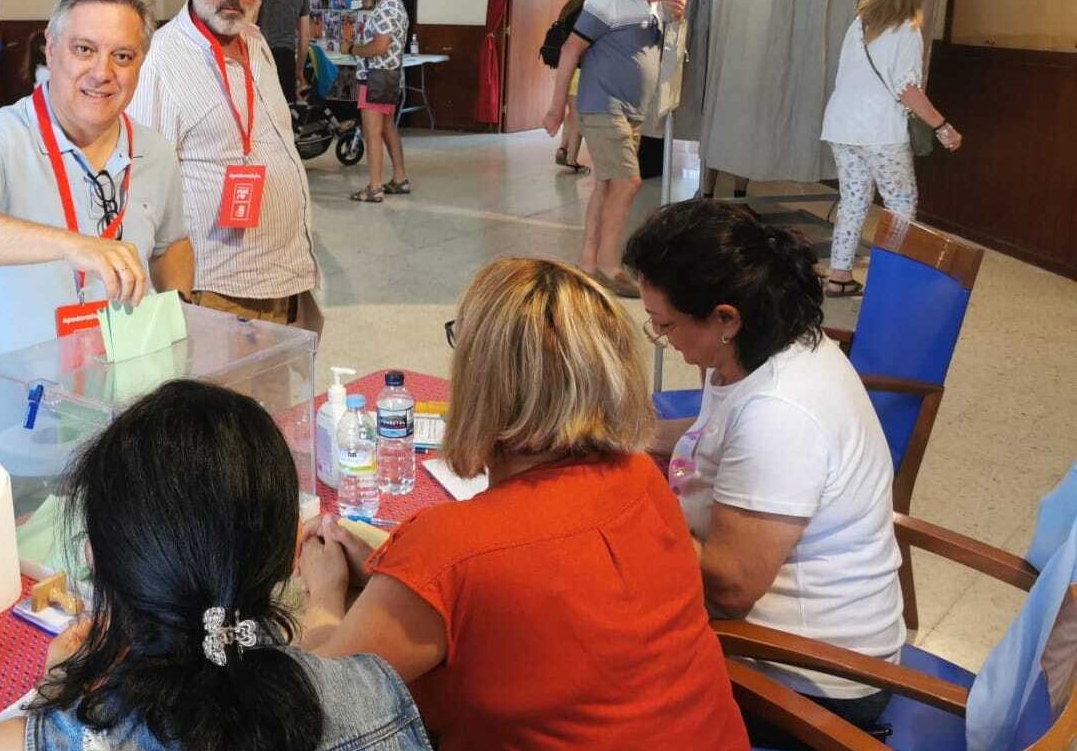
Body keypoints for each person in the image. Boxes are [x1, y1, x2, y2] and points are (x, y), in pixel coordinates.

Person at [297, 257, 748, 750]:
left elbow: (317, 705)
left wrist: (325, 595)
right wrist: (397, 573)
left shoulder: (452, 548)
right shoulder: (640, 476)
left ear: (481, 380)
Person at [0, 381, 433, 751]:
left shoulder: (23, 741)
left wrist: (56, 690)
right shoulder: (375, 694)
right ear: (288, 552)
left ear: (96, 559)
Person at [622, 199, 904, 743]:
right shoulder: (767, 343)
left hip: (805, 679)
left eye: (666, 325)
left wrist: (634, 496)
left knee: (575, 667)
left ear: (725, 317)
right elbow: (716, 437)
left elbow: (729, 588)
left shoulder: (781, 411)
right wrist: (618, 439)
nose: (664, 338)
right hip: (775, 642)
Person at [0, 0, 194, 454]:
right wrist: (72, 244)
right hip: (11, 422)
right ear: (51, 50)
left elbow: (171, 245)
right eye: (84, 49)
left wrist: (181, 326)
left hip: (117, 416)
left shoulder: (155, 151)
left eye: (121, 56)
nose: (102, 72)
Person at [127, 0, 323, 334]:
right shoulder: (160, 61)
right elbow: (142, 192)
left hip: (285, 284)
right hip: (216, 294)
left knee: (276, 401)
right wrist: (168, 308)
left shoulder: (257, 43)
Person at [543, 0, 694, 298]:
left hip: (631, 112)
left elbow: (663, 53)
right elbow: (571, 49)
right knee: (628, 182)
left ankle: (588, 263)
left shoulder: (654, 5)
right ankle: (610, 267)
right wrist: (556, 106)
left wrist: (676, 19)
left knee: (608, 184)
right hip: (601, 104)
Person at [821, 0, 962, 297]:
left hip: (841, 124)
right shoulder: (907, 31)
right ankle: (890, 280)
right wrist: (942, 126)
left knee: (854, 198)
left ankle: (839, 275)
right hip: (879, 130)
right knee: (900, 200)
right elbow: (907, 90)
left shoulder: (861, 21)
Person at [342, 0, 411, 202]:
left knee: (372, 132)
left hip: (376, 77)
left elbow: (380, 46)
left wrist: (352, 49)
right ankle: (400, 178)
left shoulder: (385, 9)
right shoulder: (397, 6)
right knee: (387, 127)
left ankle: (374, 187)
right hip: (390, 76)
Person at [546, 0, 610, 174]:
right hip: (583, 68)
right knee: (578, 115)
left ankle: (564, 149)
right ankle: (572, 159)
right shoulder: (592, 10)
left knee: (571, 113)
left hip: (566, 68)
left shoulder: (570, 7)